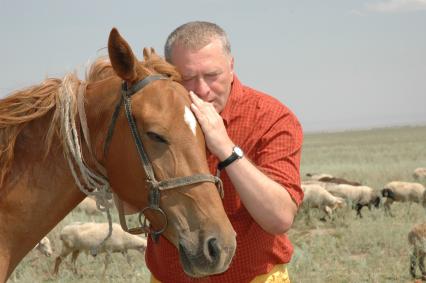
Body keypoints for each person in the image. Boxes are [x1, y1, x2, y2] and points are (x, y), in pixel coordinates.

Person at [146, 21, 304, 283]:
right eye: (187, 78)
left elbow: (279, 219)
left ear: (231, 67)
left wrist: (225, 148)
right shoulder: (152, 124)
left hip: (254, 277)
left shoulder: (272, 118)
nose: (202, 90)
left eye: (212, 75)